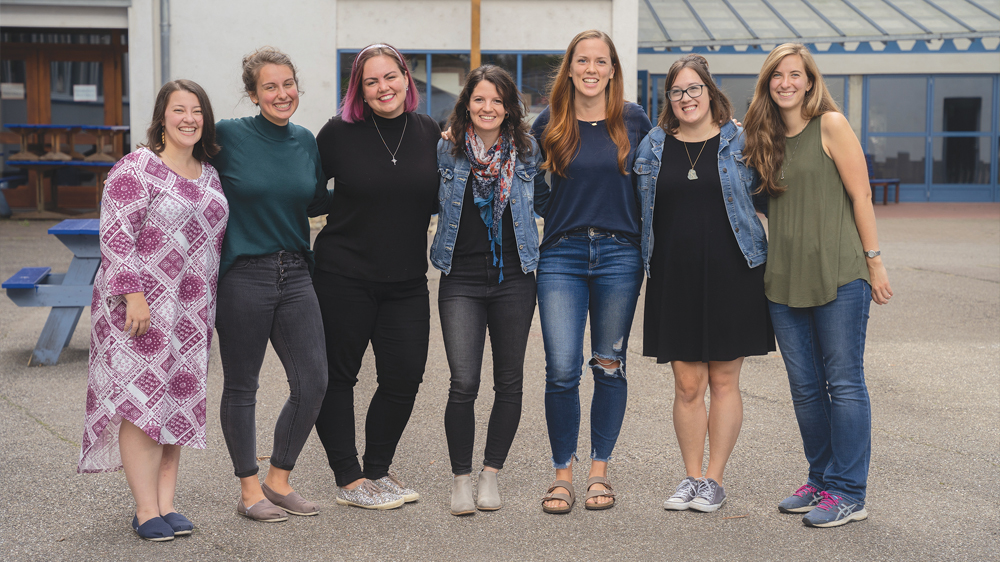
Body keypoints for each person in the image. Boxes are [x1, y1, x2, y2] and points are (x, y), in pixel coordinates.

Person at [742, 43, 893, 528]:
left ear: (810, 80)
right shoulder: (763, 138)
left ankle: (850, 491)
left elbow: (862, 194)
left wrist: (875, 261)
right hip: (783, 280)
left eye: (795, 74)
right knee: (806, 389)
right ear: (768, 84)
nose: (786, 82)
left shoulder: (831, 124)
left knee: (844, 383)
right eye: (777, 76)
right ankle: (822, 479)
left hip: (839, 274)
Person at [79, 79, 226, 541]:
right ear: (162, 117)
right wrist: (133, 294)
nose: (189, 119)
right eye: (179, 110)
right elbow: (116, 234)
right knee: (141, 403)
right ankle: (145, 510)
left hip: (191, 311)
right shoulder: (137, 167)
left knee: (175, 401)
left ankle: (166, 502)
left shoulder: (209, 173)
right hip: (139, 307)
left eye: (197, 110)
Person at [633, 54, 774, 513]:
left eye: (694, 88)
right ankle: (691, 478)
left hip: (733, 273)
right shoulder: (653, 146)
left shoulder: (741, 141)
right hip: (675, 276)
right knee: (688, 385)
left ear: (711, 92)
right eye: (676, 91)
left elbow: (773, 196)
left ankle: (714, 480)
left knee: (724, 380)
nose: (686, 98)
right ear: (668, 100)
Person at [312, 43, 441, 510]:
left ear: (407, 79)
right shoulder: (337, 133)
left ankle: (378, 471)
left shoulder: (430, 133)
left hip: (406, 279)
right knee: (338, 377)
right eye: (372, 81)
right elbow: (306, 193)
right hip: (342, 274)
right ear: (359, 90)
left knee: (404, 377)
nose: (383, 87)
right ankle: (349, 478)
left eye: (391, 77)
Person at [532, 30, 652, 513]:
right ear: (570, 68)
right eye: (582, 60)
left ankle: (600, 472)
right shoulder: (550, 121)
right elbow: (523, 174)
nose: (590, 69)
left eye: (600, 61)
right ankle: (563, 474)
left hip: (621, 255)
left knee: (608, 363)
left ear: (612, 69)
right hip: (561, 254)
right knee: (561, 370)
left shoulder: (633, 119)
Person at [213, 46, 331, 523]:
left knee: (314, 380)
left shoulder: (304, 140)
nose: (282, 94)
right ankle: (248, 491)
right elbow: (177, 163)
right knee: (243, 385)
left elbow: (317, 200)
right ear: (252, 94)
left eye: (288, 85)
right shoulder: (226, 137)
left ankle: (278, 480)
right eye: (270, 87)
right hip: (244, 275)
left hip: (297, 272)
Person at [431, 65, 547, 515]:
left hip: (515, 277)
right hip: (459, 276)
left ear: (509, 107)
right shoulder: (447, 149)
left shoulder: (525, 149)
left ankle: (490, 473)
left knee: (509, 381)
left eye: (497, 100)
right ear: (467, 104)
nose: (488, 108)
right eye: (479, 99)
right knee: (463, 382)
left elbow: (543, 198)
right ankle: (460, 477)